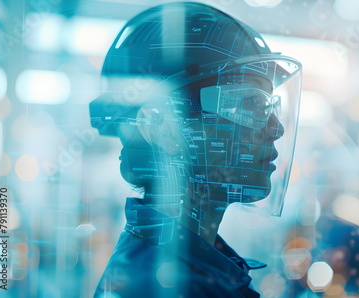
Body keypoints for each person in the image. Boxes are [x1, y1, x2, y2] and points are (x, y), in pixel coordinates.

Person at [89, 2, 302, 297]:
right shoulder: (162, 285)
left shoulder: (198, 268)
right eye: (248, 103)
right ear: (163, 129)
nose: (275, 128)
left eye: (267, 106)